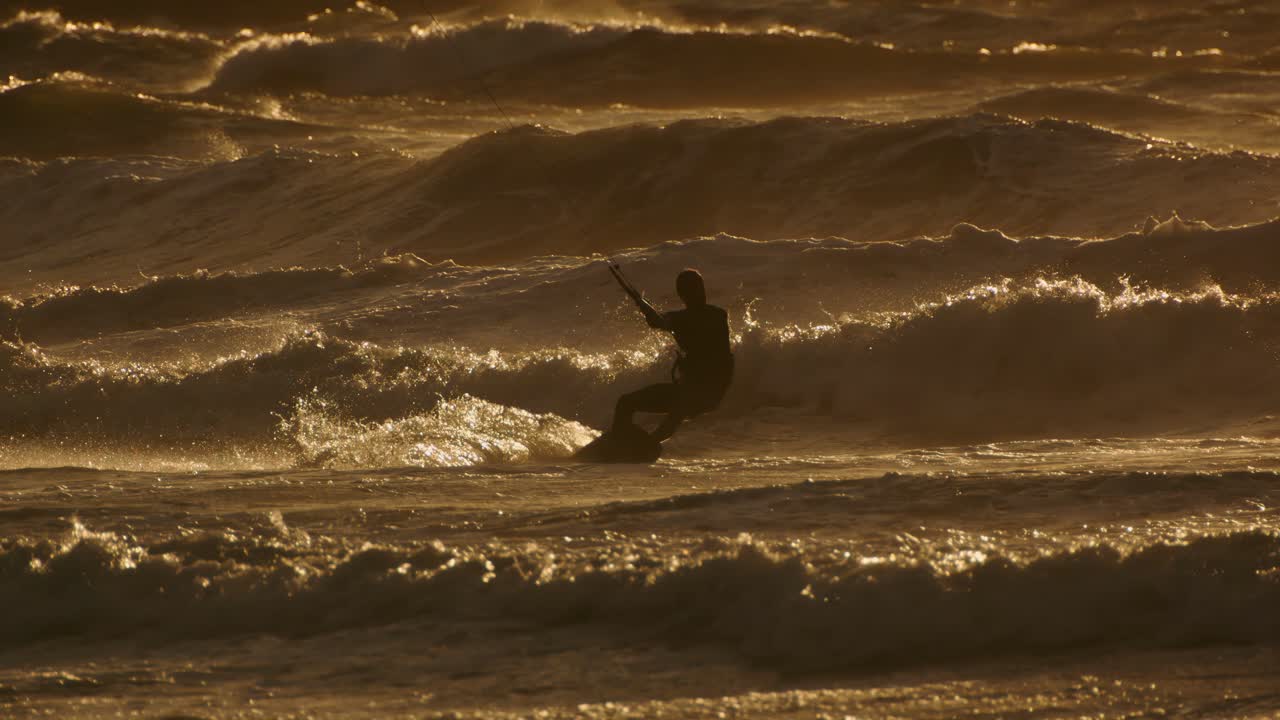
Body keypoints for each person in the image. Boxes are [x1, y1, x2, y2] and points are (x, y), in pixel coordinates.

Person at [611, 267, 734, 441]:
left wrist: (641, 302)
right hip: (688, 391)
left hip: (705, 394)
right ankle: (618, 442)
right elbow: (660, 321)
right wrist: (640, 301)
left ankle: (647, 444)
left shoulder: (716, 316)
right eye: (694, 289)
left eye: (700, 287)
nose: (700, 293)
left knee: (678, 409)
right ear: (683, 294)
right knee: (625, 403)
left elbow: (664, 322)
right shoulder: (683, 318)